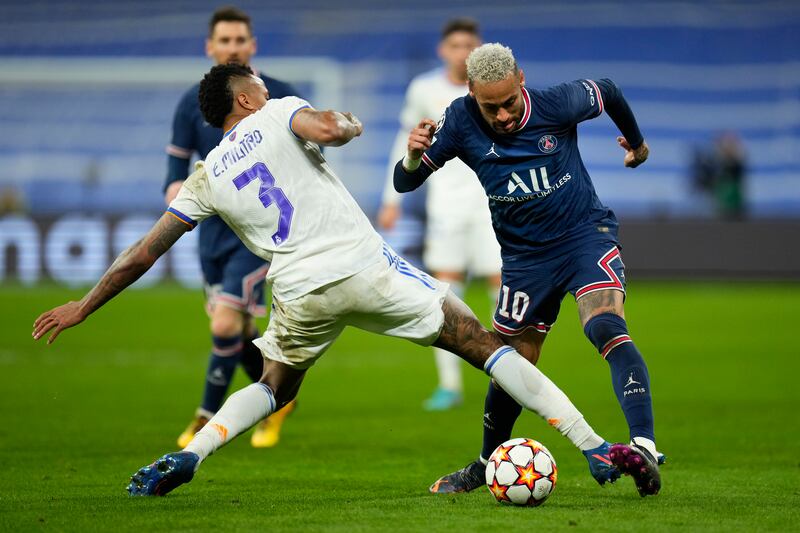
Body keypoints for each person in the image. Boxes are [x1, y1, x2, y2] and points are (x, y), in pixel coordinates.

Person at [32, 63, 650, 497]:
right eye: (257, 84)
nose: (266, 87)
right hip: (362, 265)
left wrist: (84, 306)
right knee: (485, 344)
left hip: (299, 291)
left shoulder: (204, 176)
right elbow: (329, 128)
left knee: (275, 385)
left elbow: (143, 253)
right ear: (245, 99)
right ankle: (594, 446)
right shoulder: (278, 111)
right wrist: (348, 125)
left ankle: (191, 454)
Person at [393, 43, 662, 497]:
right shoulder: (459, 119)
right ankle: (484, 464)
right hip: (523, 259)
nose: (501, 115)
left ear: (521, 79)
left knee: (605, 326)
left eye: (509, 103)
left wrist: (637, 146)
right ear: (471, 91)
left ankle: (644, 448)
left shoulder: (557, 103)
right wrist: (415, 155)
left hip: (583, 235)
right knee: (510, 361)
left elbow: (610, 91)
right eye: (489, 106)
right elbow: (405, 182)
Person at [164, 6, 299, 449]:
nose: (233, 47)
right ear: (211, 46)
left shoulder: (277, 95)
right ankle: (279, 396)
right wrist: (181, 203)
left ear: (252, 45)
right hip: (213, 236)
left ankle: (206, 419)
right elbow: (174, 174)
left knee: (224, 325)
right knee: (238, 332)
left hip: (260, 234)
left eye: (240, 40)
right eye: (224, 40)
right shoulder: (192, 102)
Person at [378, 18, 502, 412]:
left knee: (501, 285)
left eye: (469, 44)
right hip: (445, 206)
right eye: (455, 45)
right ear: (442, 50)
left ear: (479, 48)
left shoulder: (493, 88)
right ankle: (449, 385)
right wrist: (391, 198)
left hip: (492, 203)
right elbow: (407, 138)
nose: (462, 52)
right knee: (447, 294)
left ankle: (507, 374)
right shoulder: (425, 89)